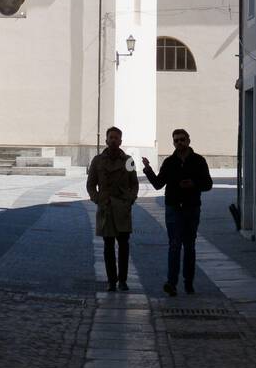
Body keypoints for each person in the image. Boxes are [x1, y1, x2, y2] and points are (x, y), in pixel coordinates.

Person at [142, 129, 212, 296]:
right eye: (176, 140)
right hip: (173, 208)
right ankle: (171, 283)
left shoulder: (199, 160)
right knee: (174, 246)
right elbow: (159, 184)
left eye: (182, 139)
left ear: (188, 140)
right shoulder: (169, 162)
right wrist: (148, 170)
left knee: (189, 246)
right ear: (173, 143)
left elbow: (208, 184)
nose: (179, 143)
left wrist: (193, 184)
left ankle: (188, 283)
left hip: (191, 208)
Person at [86, 126, 138, 292]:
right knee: (108, 246)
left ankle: (122, 280)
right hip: (106, 207)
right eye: (111, 138)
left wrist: (130, 199)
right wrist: (97, 199)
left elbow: (134, 183)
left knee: (124, 246)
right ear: (106, 140)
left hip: (122, 208)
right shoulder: (97, 161)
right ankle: (111, 281)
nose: (114, 140)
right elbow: (90, 184)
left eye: (117, 138)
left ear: (121, 141)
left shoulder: (128, 161)